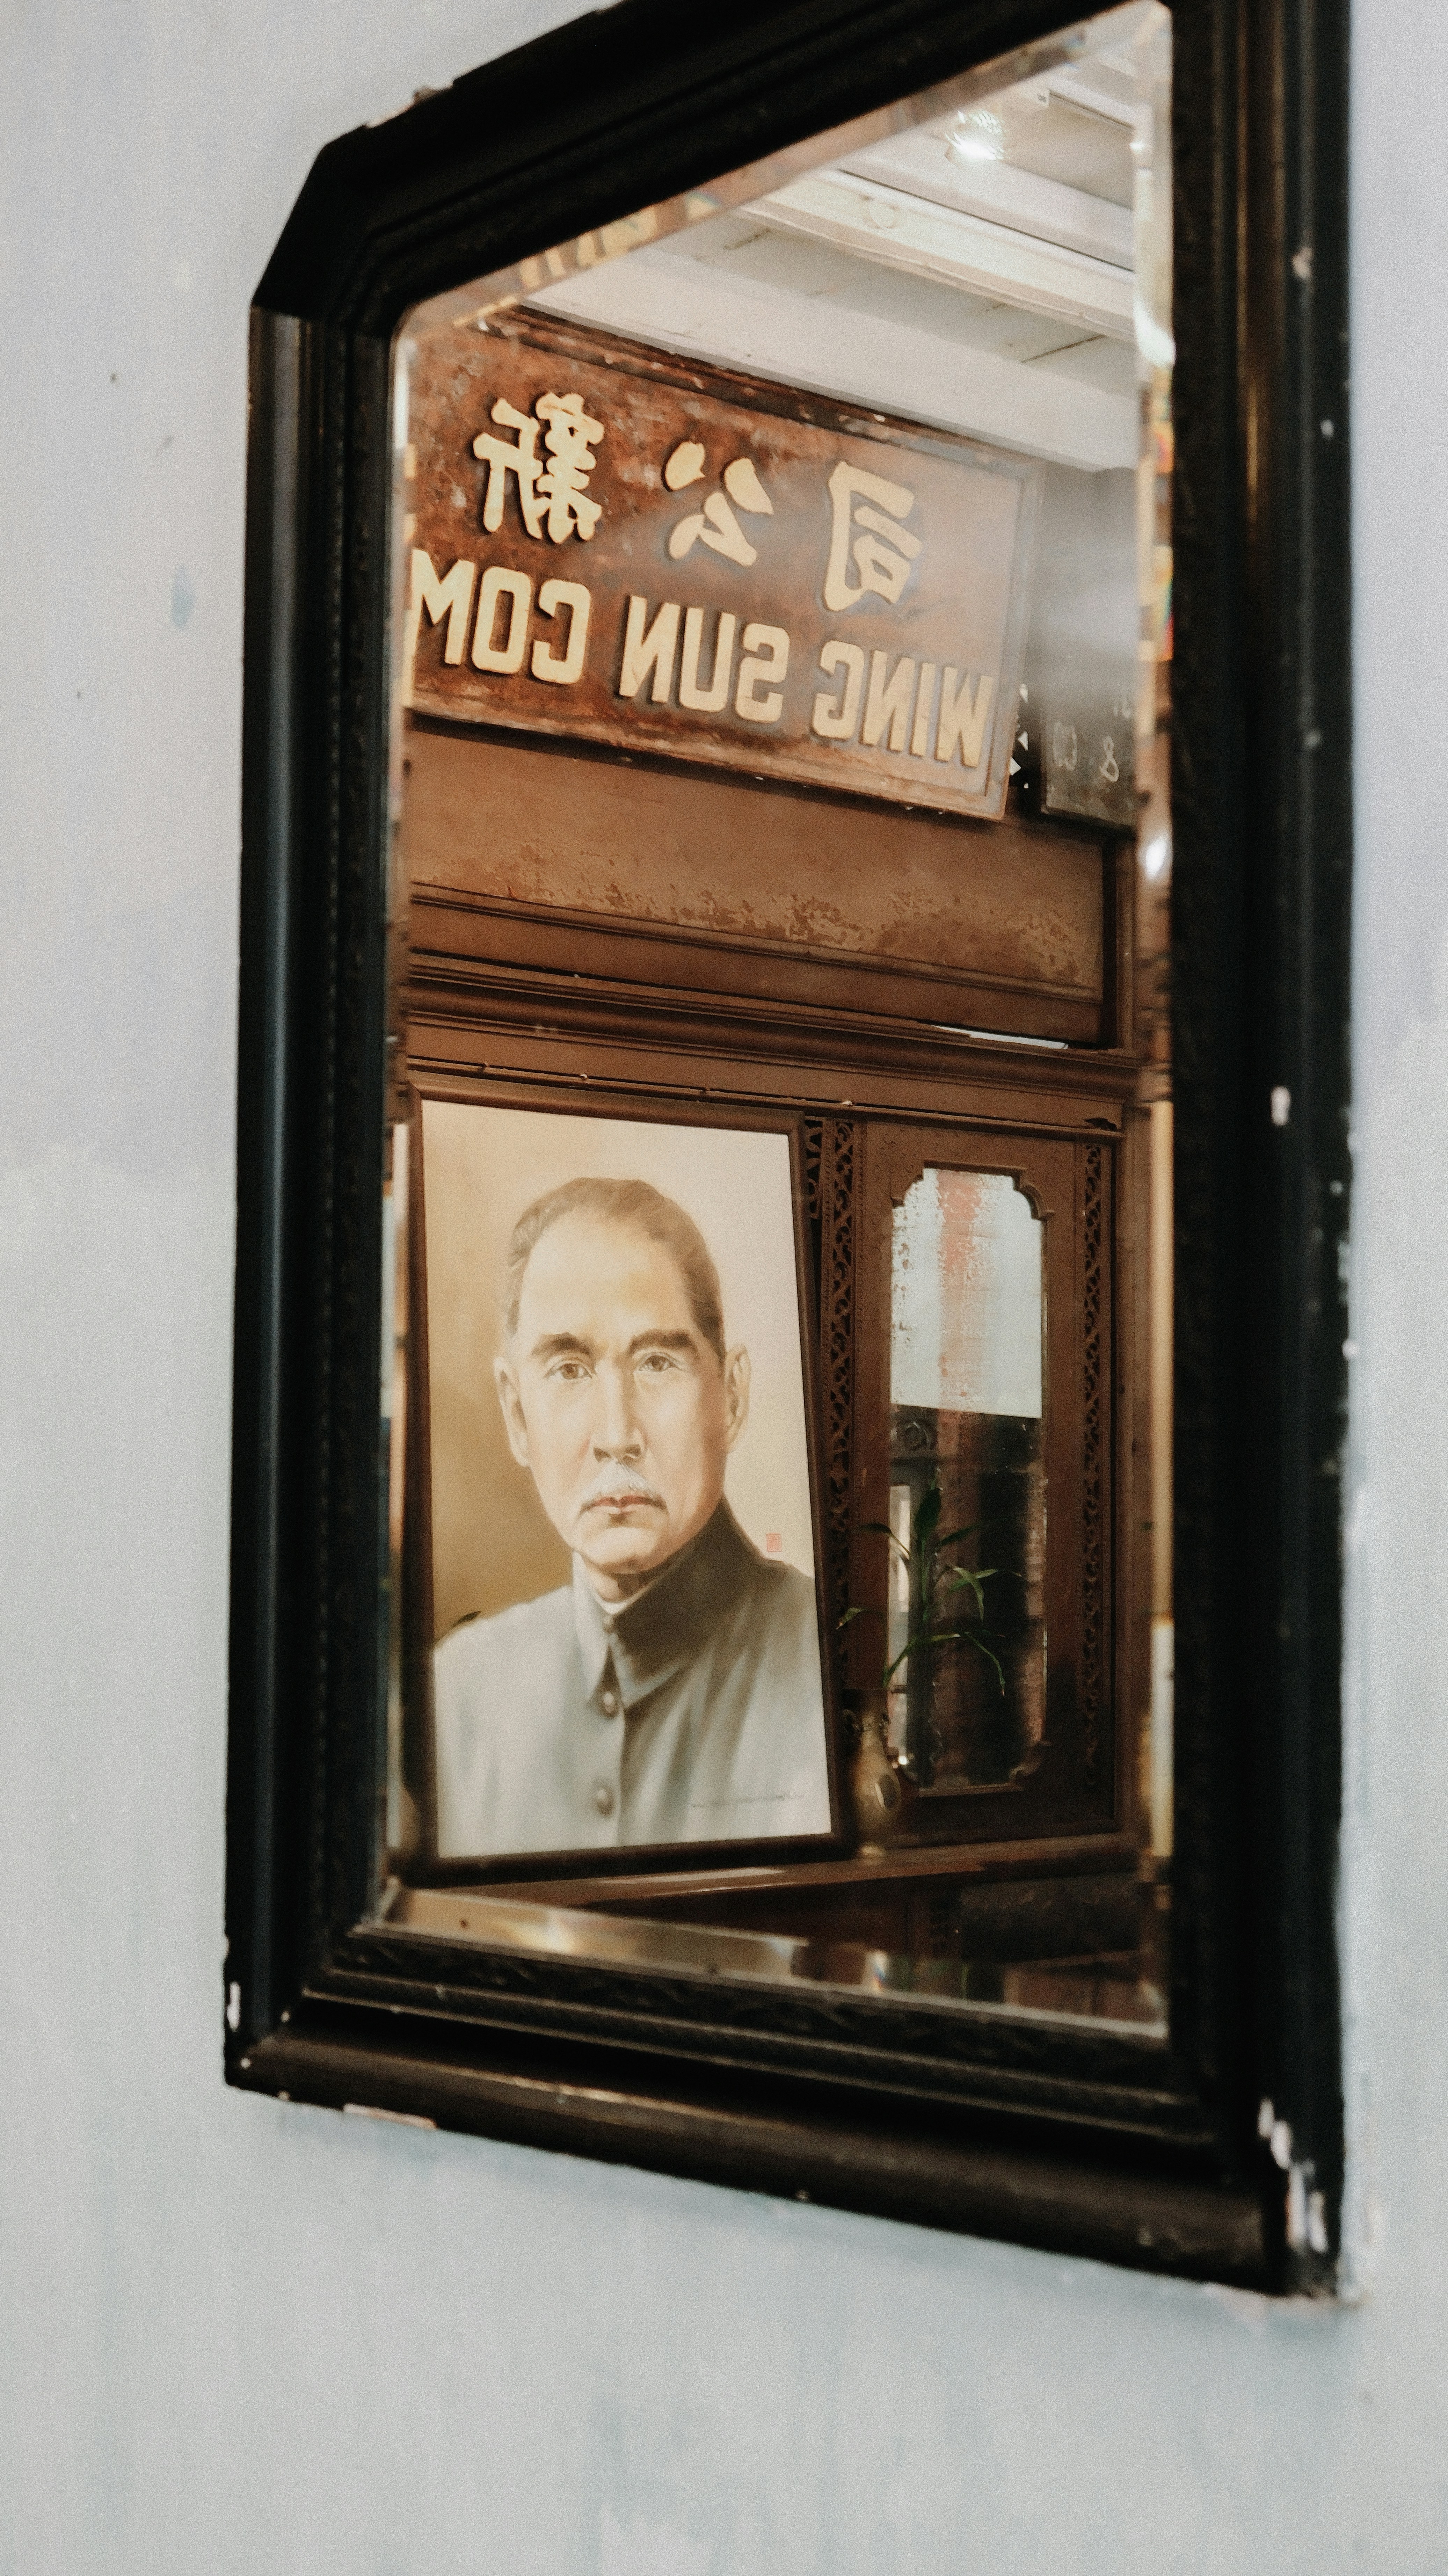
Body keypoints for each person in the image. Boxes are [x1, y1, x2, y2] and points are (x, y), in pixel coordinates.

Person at [432, 1175, 832, 1858]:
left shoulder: (820, 1658)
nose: (617, 1435)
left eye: (656, 1362)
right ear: (517, 1415)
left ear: (731, 1397)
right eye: (568, 1369)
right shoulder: (457, 1693)